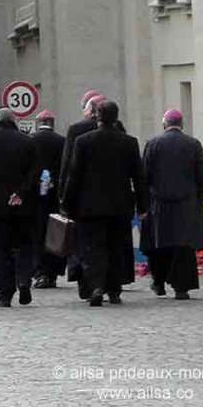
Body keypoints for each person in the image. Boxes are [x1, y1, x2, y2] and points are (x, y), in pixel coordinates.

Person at [63, 100, 146, 307]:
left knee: (93, 248)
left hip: (89, 206)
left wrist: (67, 204)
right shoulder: (129, 142)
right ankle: (114, 289)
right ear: (116, 117)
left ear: (96, 116)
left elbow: (74, 175)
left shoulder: (83, 141)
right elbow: (138, 177)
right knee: (117, 247)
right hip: (120, 205)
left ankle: (96, 286)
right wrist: (143, 206)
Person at [141, 109, 203, 300]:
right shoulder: (193, 144)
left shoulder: (153, 144)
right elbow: (202, 175)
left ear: (164, 124)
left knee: (160, 244)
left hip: (160, 204)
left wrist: (143, 202)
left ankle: (159, 282)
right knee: (183, 246)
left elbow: (145, 176)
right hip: (186, 204)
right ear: (182, 124)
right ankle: (182, 287)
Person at [0, 107, 38, 308]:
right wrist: (20, 193)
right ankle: (24, 281)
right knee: (25, 246)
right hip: (23, 204)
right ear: (14, 121)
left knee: (0, 249)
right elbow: (35, 173)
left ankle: (5, 293)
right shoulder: (28, 142)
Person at [59, 93, 105, 298]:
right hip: (112, 199)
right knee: (108, 243)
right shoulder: (118, 129)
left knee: (82, 243)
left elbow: (68, 165)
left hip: (82, 198)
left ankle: (86, 284)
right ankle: (109, 286)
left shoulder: (76, 130)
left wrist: (63, 196)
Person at [32, 110, 66, 288]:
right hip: (55, 196)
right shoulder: (62, 141)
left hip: (35, 197)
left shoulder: (31, 140)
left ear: (38, 122)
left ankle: (40, 272)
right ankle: (53, 272)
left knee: (37, 233)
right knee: (56, 233)